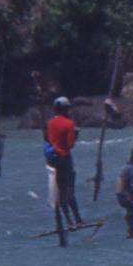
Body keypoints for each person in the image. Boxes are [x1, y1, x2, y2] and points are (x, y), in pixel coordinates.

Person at [44, 96, 83, 225]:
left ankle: (67, 221)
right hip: (64, 160)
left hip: (52, 161)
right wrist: (75, 135)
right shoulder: (69, 124)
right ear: (66, 109)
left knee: (60, 192)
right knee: (69, 191)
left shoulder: (49, 123)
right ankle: (78, 220)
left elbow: (48, 140)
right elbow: (70, 144)